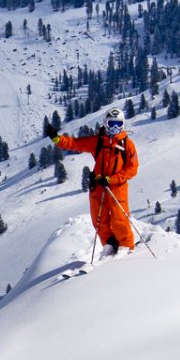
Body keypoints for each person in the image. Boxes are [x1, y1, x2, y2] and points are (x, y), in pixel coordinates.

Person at [43, 107, 139, 255]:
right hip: (99, 185)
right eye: (112, 123)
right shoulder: (98, 142)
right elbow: (76, 143)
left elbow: (132, 169)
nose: (115, 128)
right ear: (105, 124)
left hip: (117, 187)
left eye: (118, 124)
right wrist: (57, 138)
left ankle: (126, 247)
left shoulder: (127, 145)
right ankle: (110, 244)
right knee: (99, 220)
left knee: (120, 219)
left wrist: (112, 179)